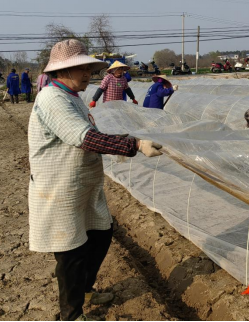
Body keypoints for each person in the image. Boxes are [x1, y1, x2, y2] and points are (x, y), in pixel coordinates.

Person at [28, 39, 164, 322]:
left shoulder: (72, 97)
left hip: (82, 187)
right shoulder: (52, 99)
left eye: (89, 68)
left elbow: (94, 133)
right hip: (59, 189)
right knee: (71, 252)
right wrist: (135, 145)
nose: (88, 73)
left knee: (100, 235)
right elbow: (86, 138)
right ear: (62, 71)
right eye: (82, 68)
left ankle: (85, 290)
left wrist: (128, 140)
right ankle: (72, 314)